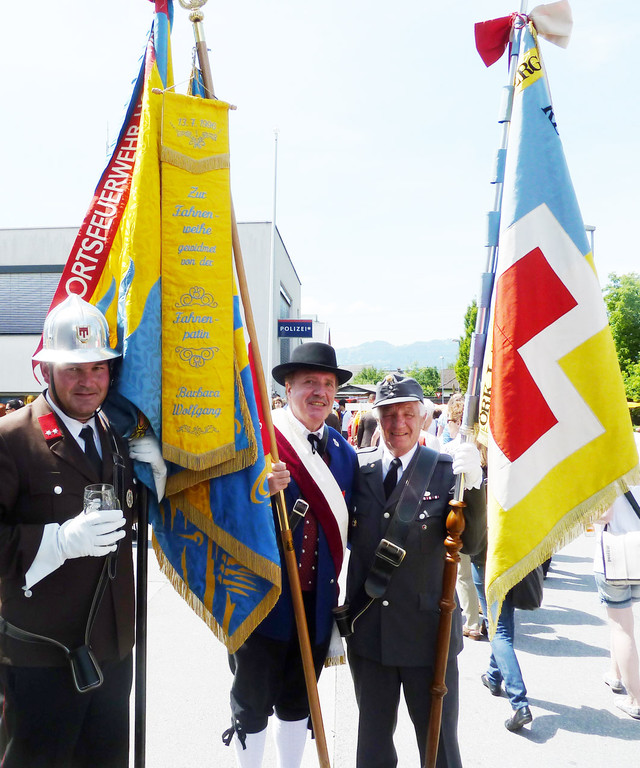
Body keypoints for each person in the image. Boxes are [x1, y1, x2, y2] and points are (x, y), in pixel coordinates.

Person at [0, 294, 166, 768]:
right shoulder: (13, 439)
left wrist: (156, 477)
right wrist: (56, 542)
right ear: (46, 370)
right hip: (42, 657)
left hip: (112, 652)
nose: (88, 381)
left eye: (98, 368)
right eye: (73, 369)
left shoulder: (116, 437)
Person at [225, 342, 358, 768]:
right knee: (251, 705)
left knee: (299, 704)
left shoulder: (345, 455)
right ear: (287, 388)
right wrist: (258, 490)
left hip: (316, 607)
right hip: (260, 602)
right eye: (309, 383)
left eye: (328, 384)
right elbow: (223, 512)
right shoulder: (258, 443)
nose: (320, 392)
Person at [345, 374, 486, 767]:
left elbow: (472, 544)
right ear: (377, 419)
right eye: (389, 414)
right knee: (372, 747)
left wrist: (475, 487)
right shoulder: (358, 470)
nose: (398, 424)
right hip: (370, 632)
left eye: (407, 413)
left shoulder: (446, 471)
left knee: (438, 747)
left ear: (423, 417)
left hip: (428, 635)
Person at [593, 431, 640, 720]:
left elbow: (604, 514)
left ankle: (636, 699)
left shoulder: (609, 454)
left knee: (621, 627)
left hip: (616, 554)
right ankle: (616, 673)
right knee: (624, 622)